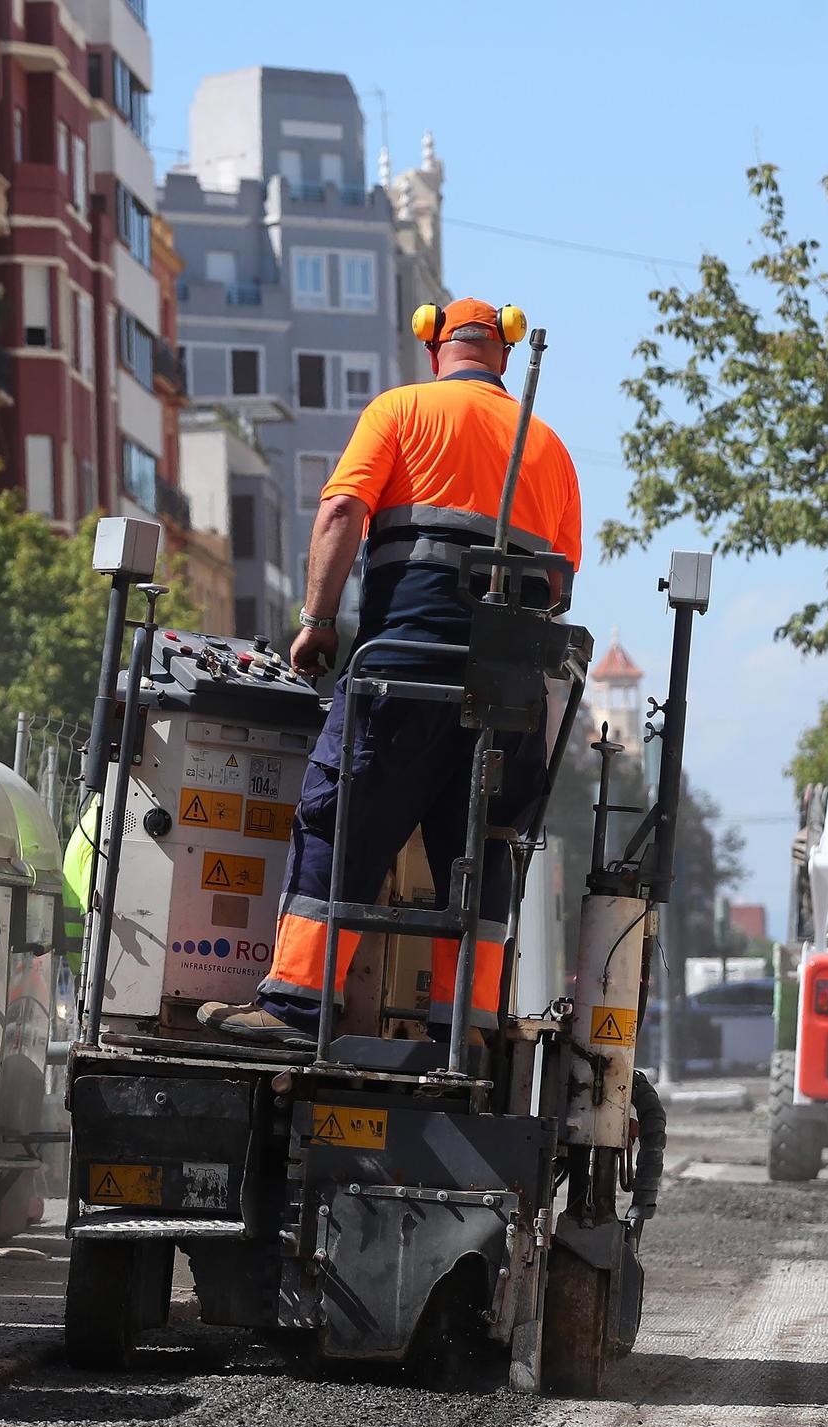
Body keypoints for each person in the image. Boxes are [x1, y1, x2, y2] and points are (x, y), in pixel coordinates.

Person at [200, 297, 583, 1047]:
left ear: (433, 343)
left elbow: (343, 511)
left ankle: (296, 1006)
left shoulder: (400, 410)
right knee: (478, 856)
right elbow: (560, 587)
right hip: (506, 701)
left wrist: (316, 622)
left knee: (337, 826)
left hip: (396, 679)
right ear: (503, 353)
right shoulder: (551, 447)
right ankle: (464, 1031)